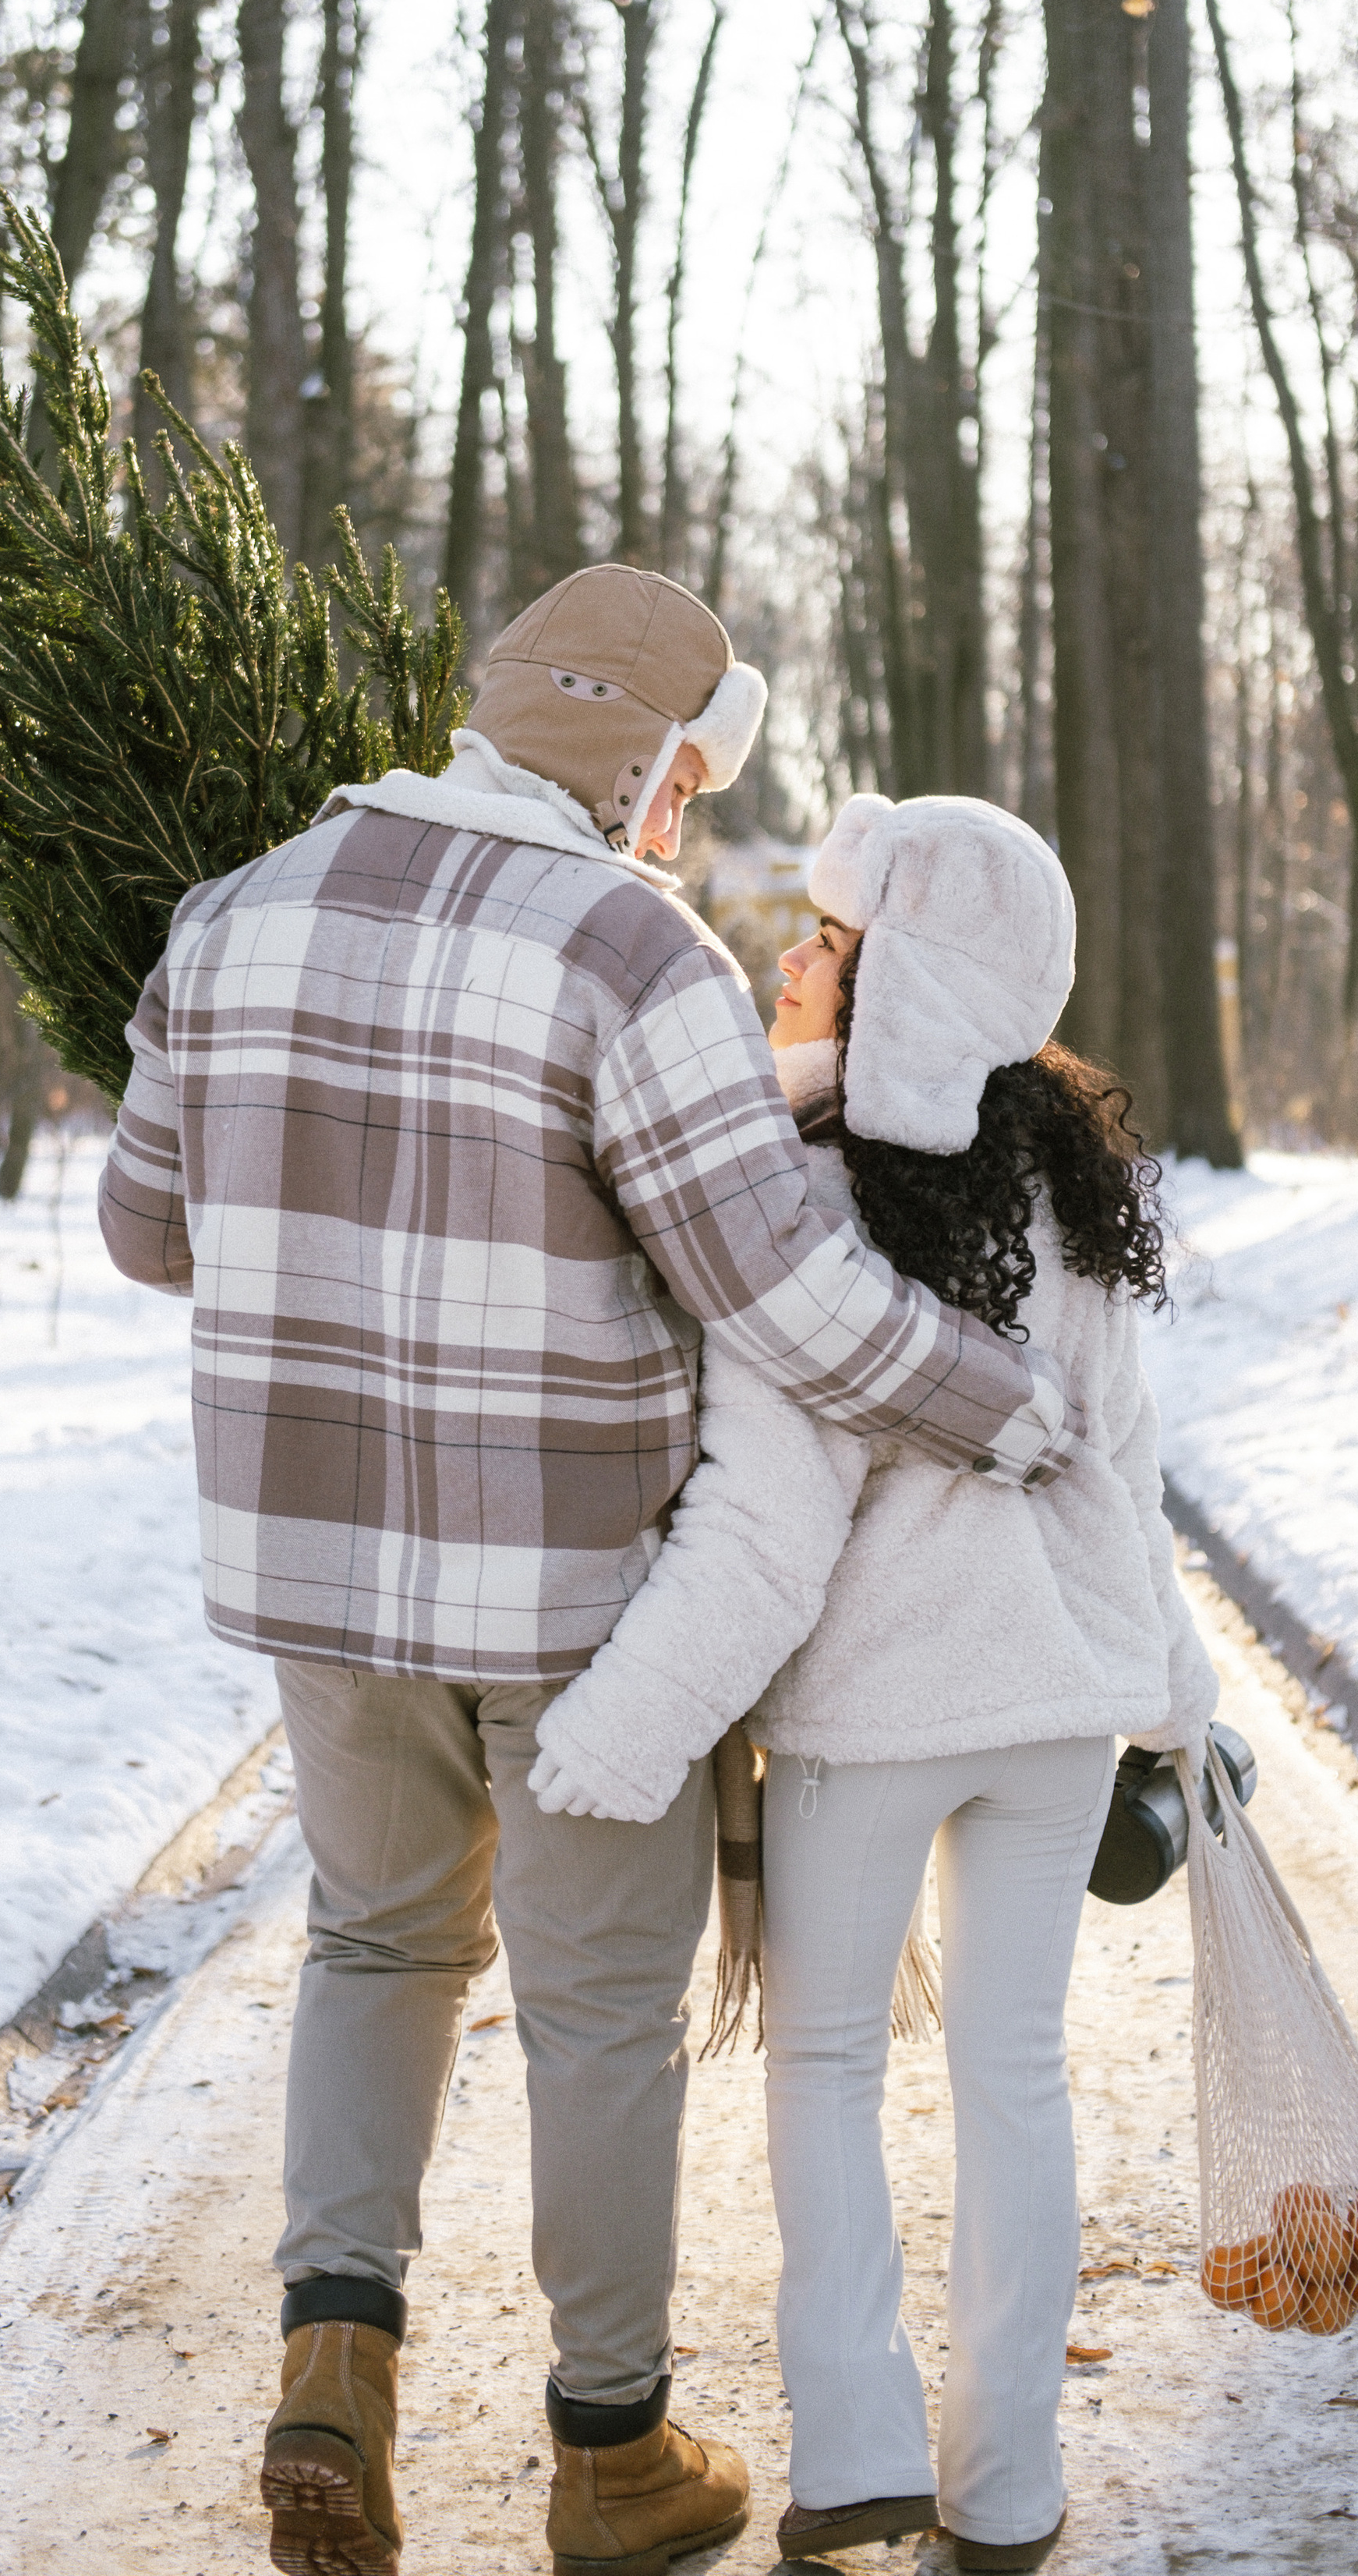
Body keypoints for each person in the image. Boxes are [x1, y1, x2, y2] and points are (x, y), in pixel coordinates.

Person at [96, 575, 1084, 2576]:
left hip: (313, 1576)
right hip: (565, 1602)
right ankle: (610, 2454)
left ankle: (333, 2368)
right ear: (638, 755)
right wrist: (1006, 1406)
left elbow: (146, 1228)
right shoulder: (635, 956)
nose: (679, 814)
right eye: (687, 773)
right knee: (593, 2020)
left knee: (375, 1948)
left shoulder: (228, 914)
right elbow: (786, 1298)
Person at [532, 790, 1218, 2574]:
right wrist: (1170, 1690)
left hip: (868, 1716)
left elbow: (765, 1529)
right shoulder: (1078, 1188)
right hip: (1055, 1705)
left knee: (825, 2065)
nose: (784, 954)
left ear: (894, 980)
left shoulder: (805, 1204)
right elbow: (1128, 1474)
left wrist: (613, 1733)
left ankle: (852, 2452)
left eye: (823, 941)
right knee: (1013, 2075)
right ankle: (1006, 2492)